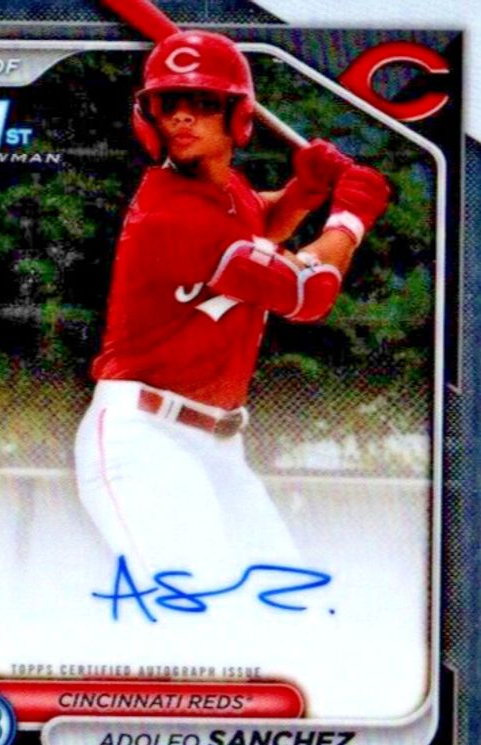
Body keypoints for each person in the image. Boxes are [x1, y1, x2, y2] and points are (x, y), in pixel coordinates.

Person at [75, 30, 389, 583]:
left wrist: (305, 190)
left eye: (202, 102)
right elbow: (306, 295)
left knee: (290, 600)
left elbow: (257, 222)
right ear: (147, 118)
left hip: (216, 445)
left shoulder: (226, 192)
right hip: (143, 439)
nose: (182, 116)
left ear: (238, 117)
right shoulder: (171, 214)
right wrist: (349, 219)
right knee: (197, 607)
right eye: (168, 103)